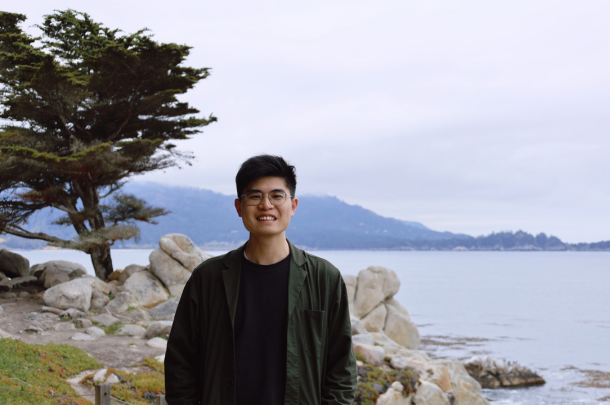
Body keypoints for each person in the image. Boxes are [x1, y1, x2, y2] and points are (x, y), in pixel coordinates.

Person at [165, 154, 357, 405]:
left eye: (277, 196)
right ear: (239, 207)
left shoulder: (324, 278)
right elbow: (180, 361)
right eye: (254, 196)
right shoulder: (207, 278)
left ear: (293, 205)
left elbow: (341, 368)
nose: (266, 205)